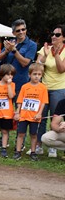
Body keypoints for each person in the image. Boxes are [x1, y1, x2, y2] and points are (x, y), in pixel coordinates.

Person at [36, 25, 65, 158]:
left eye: (57, 35)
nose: (53, 36)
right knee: (41, 117)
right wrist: (45, 56)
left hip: (59, 88)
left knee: (55, 117)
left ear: (63, 38)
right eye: (53, 34)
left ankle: (53, 147)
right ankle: (38, 145)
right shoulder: (45, 48)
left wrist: (57, 54)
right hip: (43, 88)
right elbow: (37, 67)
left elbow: (61, 69)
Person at [13, 63, 48, 161]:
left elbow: (43, 102)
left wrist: (39, 113)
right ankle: (18, 151)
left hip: (35, 116)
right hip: (23, 115)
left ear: (42, 75)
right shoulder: (25, 87)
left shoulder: (43, 88)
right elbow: (20, 100)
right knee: (20, 133)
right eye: (34, 74)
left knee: (33, 134)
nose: (37, 76)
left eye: (39, 74)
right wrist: (17, 112)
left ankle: (33, 152)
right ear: (29, 75)